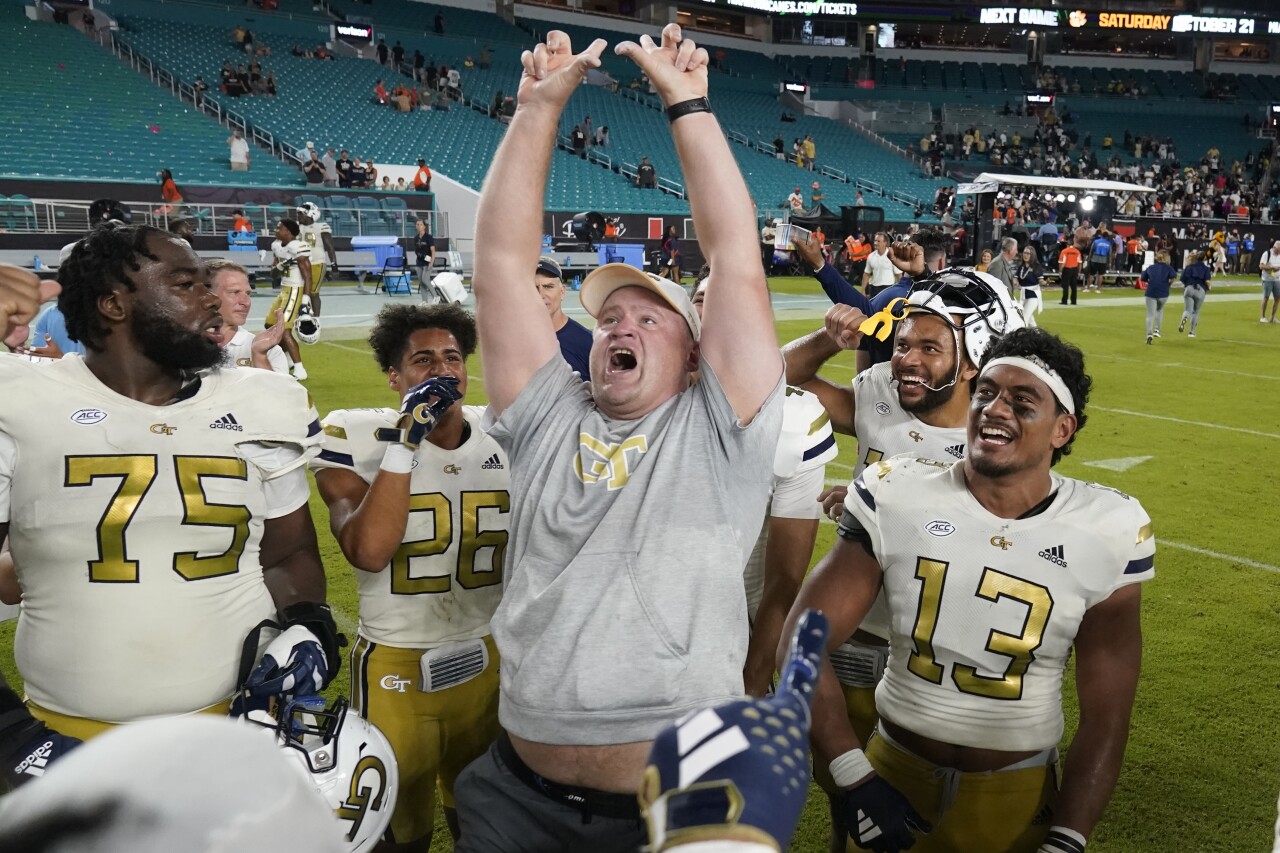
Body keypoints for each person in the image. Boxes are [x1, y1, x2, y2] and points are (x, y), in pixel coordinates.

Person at [455, 25, 784, 852]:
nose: (620, 327)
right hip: (514, 796)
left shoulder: (723, 427)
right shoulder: (549, 415)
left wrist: (688, 103)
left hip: (678, 809)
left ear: (698, 352)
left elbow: (735, 254)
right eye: (609, 318)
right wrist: (536, 111)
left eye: (647, 318)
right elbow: (499, 261)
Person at [786, 325, 1154, 853]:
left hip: (1017, 792)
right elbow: (803, 639)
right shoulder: (898, 490)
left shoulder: (1108, 528)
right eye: (986, 392)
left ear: (1062, 429)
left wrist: (1069, 839)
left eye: (1023, 401)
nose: (995, 409)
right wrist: (853, 775)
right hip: (893, 766)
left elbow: (1107, 717)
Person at [0, 224, 337, 743]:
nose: (212, 302)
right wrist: (13, 735)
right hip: (67, 730)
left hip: (237, 723)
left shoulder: (264, 399)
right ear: (114, 305)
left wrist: (307, 622)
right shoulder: (19, 398)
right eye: (186, 285)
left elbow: (289, 555)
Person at [784, 269, 1023, 852]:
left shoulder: (997, 436)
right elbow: (771, 382)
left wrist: (882, 505)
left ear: (973, 363)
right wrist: (826, 339)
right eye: (902, 345)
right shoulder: (878, 393)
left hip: (934, 647)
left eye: (930, 348)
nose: (906, 360)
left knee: (929, 798)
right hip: (856, 630)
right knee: (841, 776)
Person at [313, 303, 506, 853]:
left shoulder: (507, 436)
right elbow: (368, 551)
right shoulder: (354, 433)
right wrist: (407, 440)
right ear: (394, 376)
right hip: (398, 663)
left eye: (452, 357)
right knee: (397, 827)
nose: (443, 369)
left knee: (485, 818)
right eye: (423, 359)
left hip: (489, 655)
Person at [689, 273, 835, 698]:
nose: (712, 308)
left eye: (729, 298)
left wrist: (753, 679)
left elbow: (785, 577)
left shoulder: (794, 419)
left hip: (734, 626)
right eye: (701, 299)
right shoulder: (637, 403)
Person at [207, 258, 288, 372]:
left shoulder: (269, 351)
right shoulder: (182, 348)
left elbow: (279, 389)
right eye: (235, 292)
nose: (246, 302)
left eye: (248, 293)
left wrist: (259, 357)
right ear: (207, 296)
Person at [266, 219, 312, 379]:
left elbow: (308, 276)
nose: (276, 230)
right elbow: (273, 274)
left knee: (283, 328)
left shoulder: (298, 247)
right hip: (284, 289)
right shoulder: (277, 246)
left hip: (295, 289)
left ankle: (300, 370)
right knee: (269, 324)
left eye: (280, 228)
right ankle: (288, 360)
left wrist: (305, 302)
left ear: (289, 232)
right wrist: (280, 265)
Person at [535, 257, 591, 378]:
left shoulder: (587, 344)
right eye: (534, 288)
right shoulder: (514, 344)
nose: (540, 295)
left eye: (548, 286)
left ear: (562, 292)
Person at [297, 203, 336, 318]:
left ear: (311, 214)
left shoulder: (321, 227)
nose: (298, 216)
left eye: (301, 214)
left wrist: (334, 264)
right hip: (299, 263)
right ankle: (304, 316)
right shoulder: (296, 227)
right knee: (300, 292)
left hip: (316, 263)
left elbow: (329, 246)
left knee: (313, 293)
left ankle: (317, 319)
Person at [1140, 250, 1176, 344]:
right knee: (1159, 310)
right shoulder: (1169, 268)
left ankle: (1149, 334)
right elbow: (1174, 277)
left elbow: (1143, 278)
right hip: (1163, 293)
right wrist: (1169, 284)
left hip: (1151, 292)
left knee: (1150, 315)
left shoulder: (1151, 267)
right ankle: (1157, 330)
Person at [1178, 250, 1212, 338]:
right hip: (1200, 290)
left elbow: (1182, 278)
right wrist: (1209, 287)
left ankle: (1184, 318)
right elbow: (1207, 281)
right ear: (1205, 258)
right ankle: (1191, 331)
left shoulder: (1189, 267)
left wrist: (1187, 285)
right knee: (1195, 312)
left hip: (1189, 288)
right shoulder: (1206, 269)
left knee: (1187, 310)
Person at [1015, 245, 1044, 328]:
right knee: (1031, 320)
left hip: (1033, 297)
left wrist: (1045, 282)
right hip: (1024, 296)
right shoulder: (1021, 267)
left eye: (1028, 253)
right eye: (1024, 253)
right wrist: (1015, 281)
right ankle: (1039, 335)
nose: (1025, 255)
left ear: (1032, 255)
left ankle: (1022, 337)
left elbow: (1041, 281)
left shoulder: (1036, 267)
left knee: (1024, 318)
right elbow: (1015, 277)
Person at [863, 232, 898, 298]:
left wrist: (900, 290)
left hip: (888, 288)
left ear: (885, 243)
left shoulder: (892, 255)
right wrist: (863, 290)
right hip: (874, 289)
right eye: (875, 240)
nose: (875, 243)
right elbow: (866, 273)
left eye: (878, 241)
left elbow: (898, 274)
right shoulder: (871, 256)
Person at [1259, 239, 1280, 323]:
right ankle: (1263, 317)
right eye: (1279, 249)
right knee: (1266, 297)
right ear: (1275, 247)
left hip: (1278, 279)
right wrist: (1272, 268)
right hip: (1267, 279)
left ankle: (1272, 317)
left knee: (1277, 298)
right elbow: (1261, 266)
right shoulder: (1267, 253)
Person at [1086, 227, 1113, 292]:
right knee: (1100, 275)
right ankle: (1098, 289)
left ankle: (1088, 288)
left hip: (1094, 259)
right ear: (1107, 237)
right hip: (1103, 261)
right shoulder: (1108, 243)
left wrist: (1089, 259)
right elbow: (1109, 254)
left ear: (1101, 236)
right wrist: (1109, 263)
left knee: (1091, 274)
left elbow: (1091, 251)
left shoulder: (1096, 241)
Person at [412, 217, 437, 288]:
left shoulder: (428, 237)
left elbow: (433, 251)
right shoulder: (416, 238)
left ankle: (435, 295)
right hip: (419, 262)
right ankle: (424, 299)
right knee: (421, 282)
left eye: (421, 224)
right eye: (417, 224)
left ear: (424, 226)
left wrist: (431, 262)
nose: (419, 226)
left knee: (425, 280)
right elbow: (416, 249)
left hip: (427, 260)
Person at [1058, 237, 1082, 305]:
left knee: (1065, 286)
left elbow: (1061, 262)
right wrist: (1079, 272)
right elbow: (1080, 262)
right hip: (1075, 270)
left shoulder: (1064, 251)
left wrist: (1060, 271)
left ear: (1067, 244)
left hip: (1067, 269)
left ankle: (1064, 301)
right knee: (1074, 287)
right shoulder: (1077, 251)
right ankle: (1073, 301)